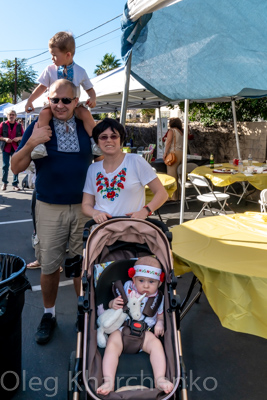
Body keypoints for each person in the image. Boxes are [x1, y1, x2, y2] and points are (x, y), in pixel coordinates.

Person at [11, 79, 93, 344]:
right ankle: (49, 314)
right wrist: (30, 141)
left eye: (66, 100)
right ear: (48, 100)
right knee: (49, 266)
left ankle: (85, 311)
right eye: (54, 100)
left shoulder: (86, 126)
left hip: (85, 208)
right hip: (49, 207)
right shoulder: (39, 127)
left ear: (76, 101)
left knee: (83, 265)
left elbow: (109, 153)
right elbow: (15, 168)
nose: (59, 105)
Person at [97, 256, 174, 395]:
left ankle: (160, 378)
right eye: (141, 281)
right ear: (133, 280)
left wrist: (160, 323)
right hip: (122, 329)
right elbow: (112, 305)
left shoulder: (158, 298)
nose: (146, 285)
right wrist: (112, 304)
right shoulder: (126, 288)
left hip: (145, 332)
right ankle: (108, 381)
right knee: (112, 346)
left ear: (159, 282)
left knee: (156, 346)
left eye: (151, 282)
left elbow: (160, 315)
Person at [24, 31, 98, 159]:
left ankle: (95, 142)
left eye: (54, 55)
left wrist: (93, 98)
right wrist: (30, 100)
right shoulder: (49, 70)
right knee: (44, 114)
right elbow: (41, 87)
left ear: (68, 54)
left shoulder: (80, 71)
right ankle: (40, 145)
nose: (52, 58)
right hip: (53, 106)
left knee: (86, 114)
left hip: (73, 105)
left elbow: (89, 89)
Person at [82, 118, 168, 222]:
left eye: (114, 136)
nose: (109, 140)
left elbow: (162, 193)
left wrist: (145, 211)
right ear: (97, 142)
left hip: (131, 229)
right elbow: (86, 205)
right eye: (103, 137)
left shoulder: (135, 161)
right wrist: (95, 213)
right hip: (103, 230)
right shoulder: (93, 169)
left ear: (121, 140)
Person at [0, 109, 24, 191]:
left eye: (13, 114)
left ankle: (15, 184)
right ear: (7, 116)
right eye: (10, 114)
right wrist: (5, 139)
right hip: (5, 148)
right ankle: (4, 183)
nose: (11, 116)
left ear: (16, 116)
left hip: (15, 148)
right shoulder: (3, 124)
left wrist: (18, 138)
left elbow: (24, 136)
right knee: (5, 166)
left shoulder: (19, 126)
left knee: (16, 166)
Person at [163, 118, 183, 201]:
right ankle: (179, 195)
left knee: (171, 176)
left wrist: (165, 153)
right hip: (181, 153)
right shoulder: (181, 132)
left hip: (173, 153)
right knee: (179, 175)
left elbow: (169, 142)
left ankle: (172, 196)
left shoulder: (172, 131)